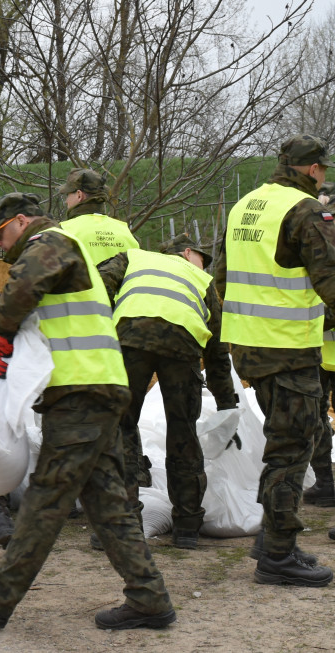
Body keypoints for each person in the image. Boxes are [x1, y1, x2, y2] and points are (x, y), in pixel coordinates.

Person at [0, 192, 175, 631]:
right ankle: (149, 598)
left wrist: (4, 328)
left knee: (47, 494)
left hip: (81, 392)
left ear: (21, 221)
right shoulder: (64, 245)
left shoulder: (49, 242)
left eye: (1, 233)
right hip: (95, 386)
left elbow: (15, 300)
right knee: (107, 504)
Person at [217, 134, 335, 587]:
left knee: (282, 442)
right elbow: (330, 279)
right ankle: (279, 556)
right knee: (292, 448)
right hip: (288, 349)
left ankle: (271, 538)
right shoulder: (304, 210)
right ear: (313, 169)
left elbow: (222, 278)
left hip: (249, 347)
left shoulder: (245, 206)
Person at [98, 234, 238, 549]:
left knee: (120, 427)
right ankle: (187, 527)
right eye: (202, 258)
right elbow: (217, 352)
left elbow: (97, 284)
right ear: (187, 253)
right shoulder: (203, 282)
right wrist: (227, 405)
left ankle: (123, 523)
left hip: (130, 338)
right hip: (182, 345)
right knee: (183, 431)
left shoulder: (133, 257)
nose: (205, 266)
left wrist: (103, 329)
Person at [303, 181, 335, 507]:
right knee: (315, 417)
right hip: (319, 347)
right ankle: (325, 483)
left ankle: (326, 483)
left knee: (316, 416)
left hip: (318, 341)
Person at [58, 168, 140, 264]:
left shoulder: (62, 231)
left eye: (67, 195)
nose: (66, 201)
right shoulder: (126, 233)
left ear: (79, 195)